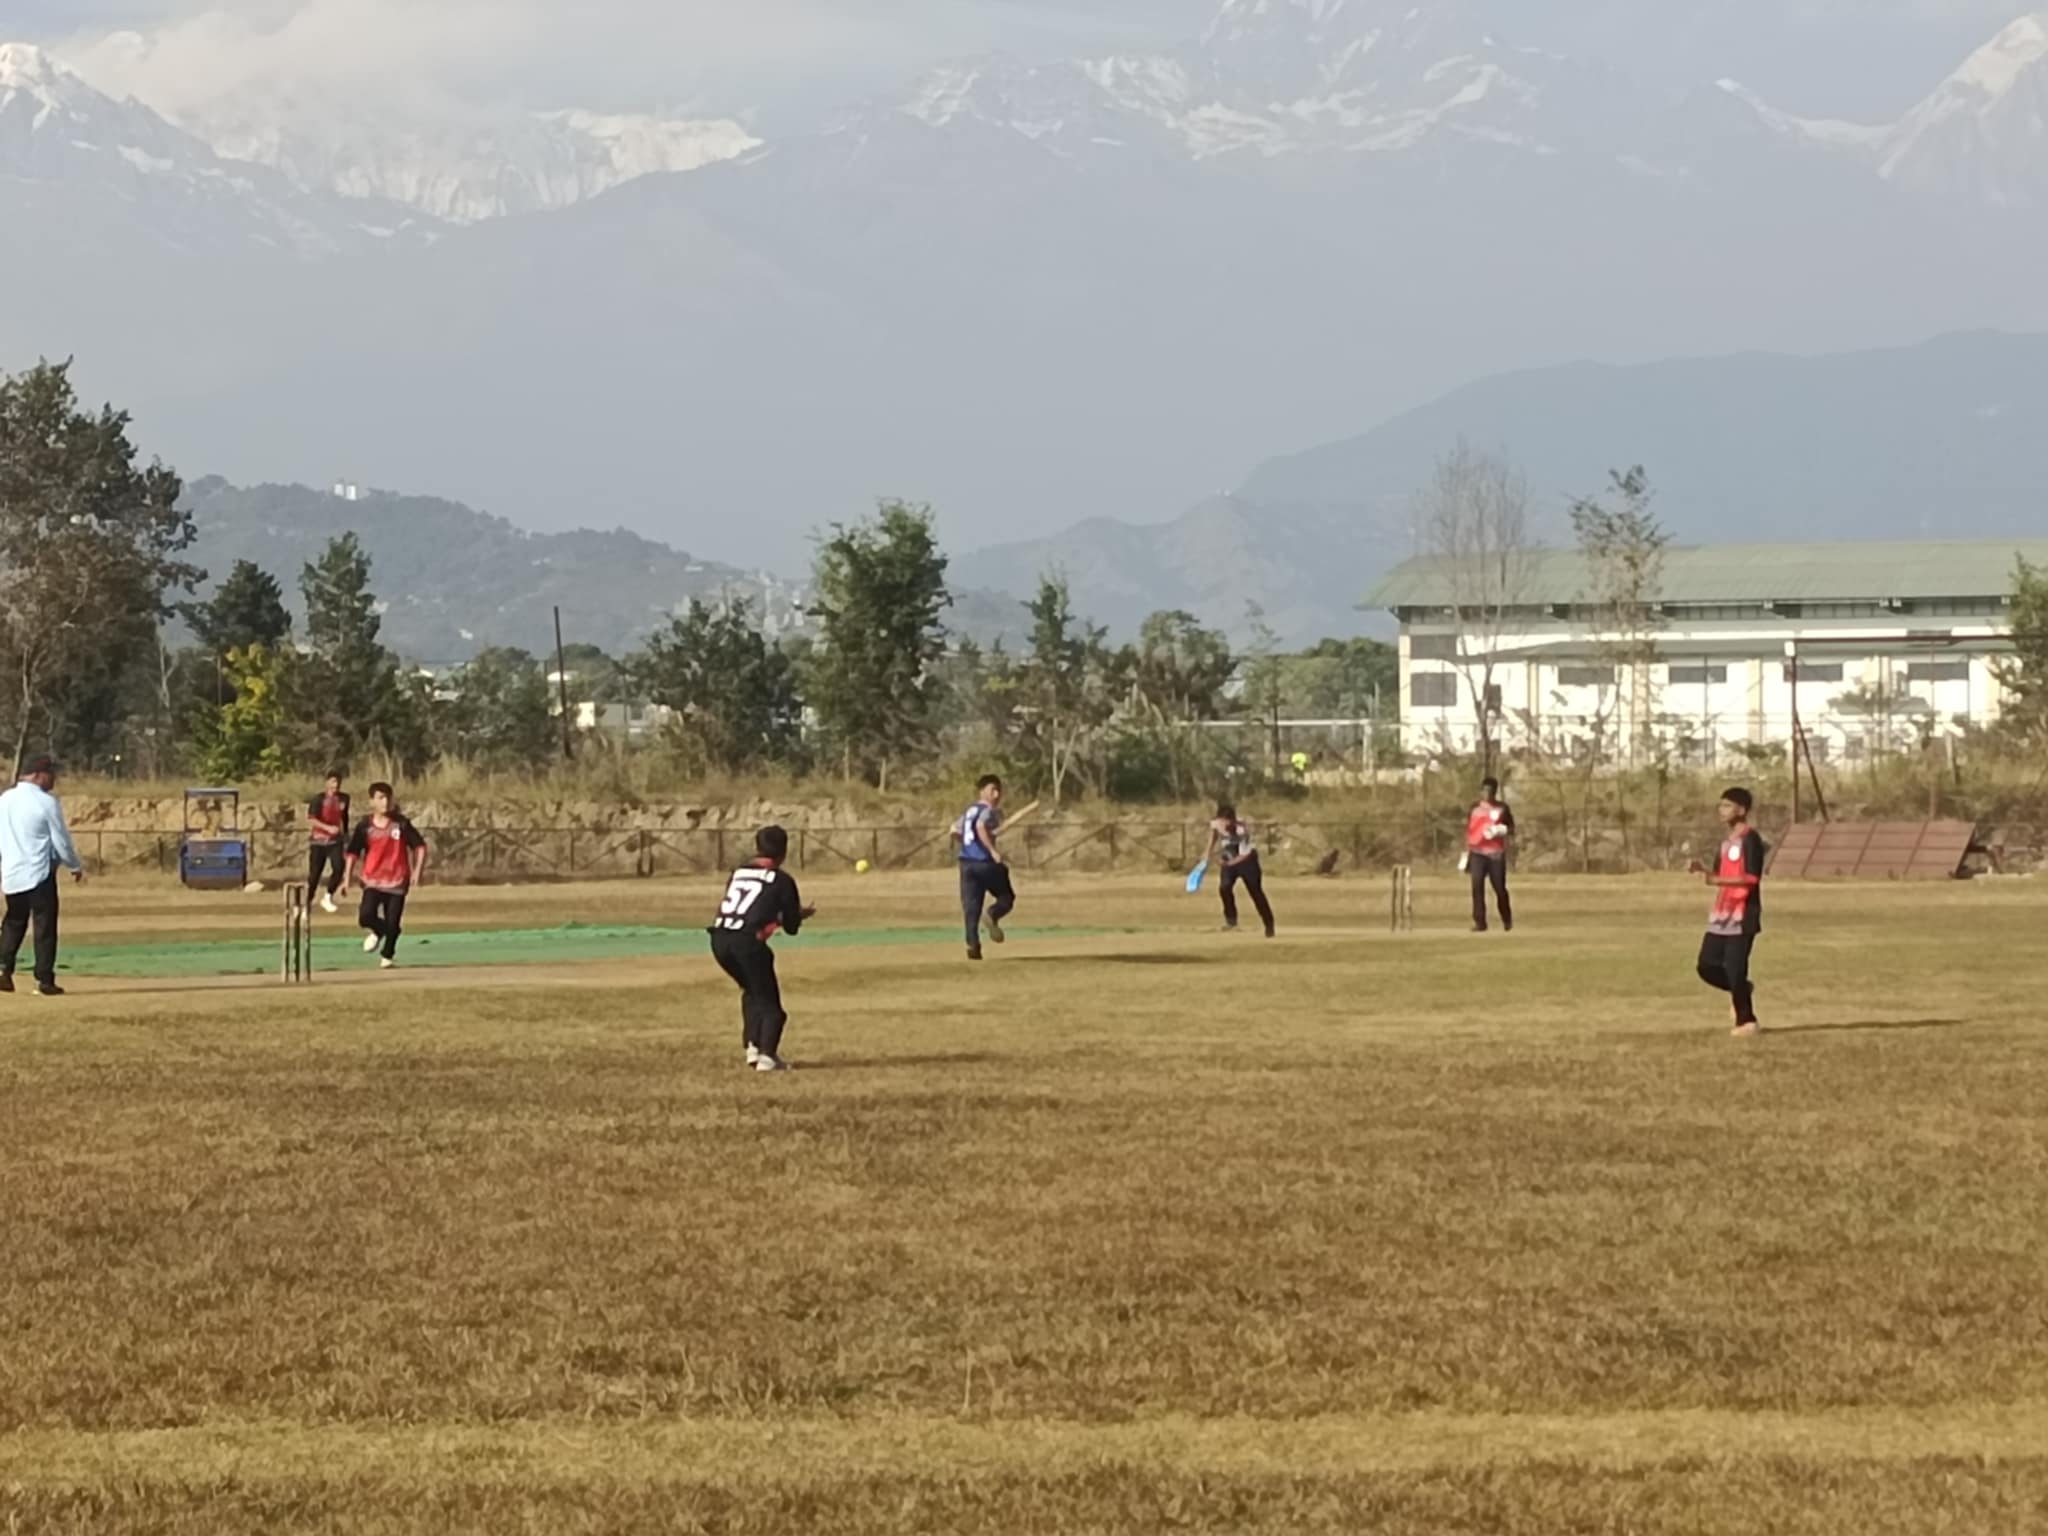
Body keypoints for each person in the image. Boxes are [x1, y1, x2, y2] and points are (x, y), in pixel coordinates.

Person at [709, 824, 815, 1073]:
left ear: (757, 847)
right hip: (747, 943)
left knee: (752, 991)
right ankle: (767, 1057)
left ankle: (753, 1047)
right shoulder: (782, 880)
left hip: (720, 939)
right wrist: (796, 915)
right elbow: (791, 927)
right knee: (771, 1007)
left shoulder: (738, 873)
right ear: (784, 850)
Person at [0, 754, 85, 997]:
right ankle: (44, 979)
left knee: (13, 921)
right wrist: (74, 865)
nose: (54, 779)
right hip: (39, 872)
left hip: (12, 873)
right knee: (44, 926)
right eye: (51, 774)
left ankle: (3, 969)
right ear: (38, 775)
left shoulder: (4, 800)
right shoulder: (46, 802)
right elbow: (61, 839)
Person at [1692, 787, 1767, 1038]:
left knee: (1735, 968)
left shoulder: (1751, 839)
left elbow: (1752, 878)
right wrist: (1704, 872)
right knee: (1706, 966)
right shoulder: (1726, 842)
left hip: (1743, 913)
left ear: (1741, 810)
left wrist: (1718, 880)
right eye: (1721, 805)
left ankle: (1747, 1021)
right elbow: (1719, 874)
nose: (1721, 810)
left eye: (1727, 805)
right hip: (1722, 913)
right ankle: (1742, 989)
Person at [339, 782, 427, 970]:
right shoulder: (365, 826)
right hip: (373, 880)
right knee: (365, 916)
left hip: (397, 880)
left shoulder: (401, 824)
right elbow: (353, 852)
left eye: (387, 797)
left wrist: (417, 870)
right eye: (380, 798)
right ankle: (381, 931)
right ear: (372, 801)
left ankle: (387, 955)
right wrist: (346, 879)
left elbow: (419, 846)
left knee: (393, 921)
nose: (385, 802)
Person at [958, 774, 1015, 962]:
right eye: (993, 790)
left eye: (999, 791)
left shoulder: (969, 811)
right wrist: (992, 850)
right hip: (984, 863)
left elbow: (954, 830)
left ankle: (972, 947)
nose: (997, 795)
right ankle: (993, 913)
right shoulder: (988, 811)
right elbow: (981, 826)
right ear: (982, 791)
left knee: (971, 907)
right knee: (1006, 897)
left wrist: (968, 845)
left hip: (966, 863)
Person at [1205, 802, 1275, 937]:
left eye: (1228, 823)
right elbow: (1214, 833)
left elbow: (1245, 854)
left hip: (1247, 862)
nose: (1225, 826)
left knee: (1255, 892)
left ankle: (1269, 924)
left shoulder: (1242, 830)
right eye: (1222, 822)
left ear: (1233, 820)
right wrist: (1208, 851)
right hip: (1229, 857)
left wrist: (1228, 864)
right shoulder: (1216, 824)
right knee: (1224, 888)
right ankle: (1231, 920)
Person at [1465, 776, 1516, 933]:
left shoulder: (1502, 808)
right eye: (1485, 790)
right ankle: (1480, 922)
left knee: (1499, 887)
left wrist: (1500, 830)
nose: (1487, 794)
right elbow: (1469, 830)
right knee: (1477, 886)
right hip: (1477, 852)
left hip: (1495, 854)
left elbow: (1511, 828)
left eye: (1491, 791)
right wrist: (1466, 853)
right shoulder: (1474, 808)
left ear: (1495, 792)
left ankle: (1507, 919)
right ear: (1481, 791)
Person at [306, 771, 351, 915]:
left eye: (338, 782)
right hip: (318, 841)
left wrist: (345, 834)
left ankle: (328, 896)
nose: (335, 785)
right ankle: (307, 903)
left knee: (339, 867)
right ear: (326, 783)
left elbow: (344, 817)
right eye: (332, 782)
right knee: (314, 875)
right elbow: (311, 819)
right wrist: (328, 828)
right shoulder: (318, 799)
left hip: (335, 841)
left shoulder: (344, 798)